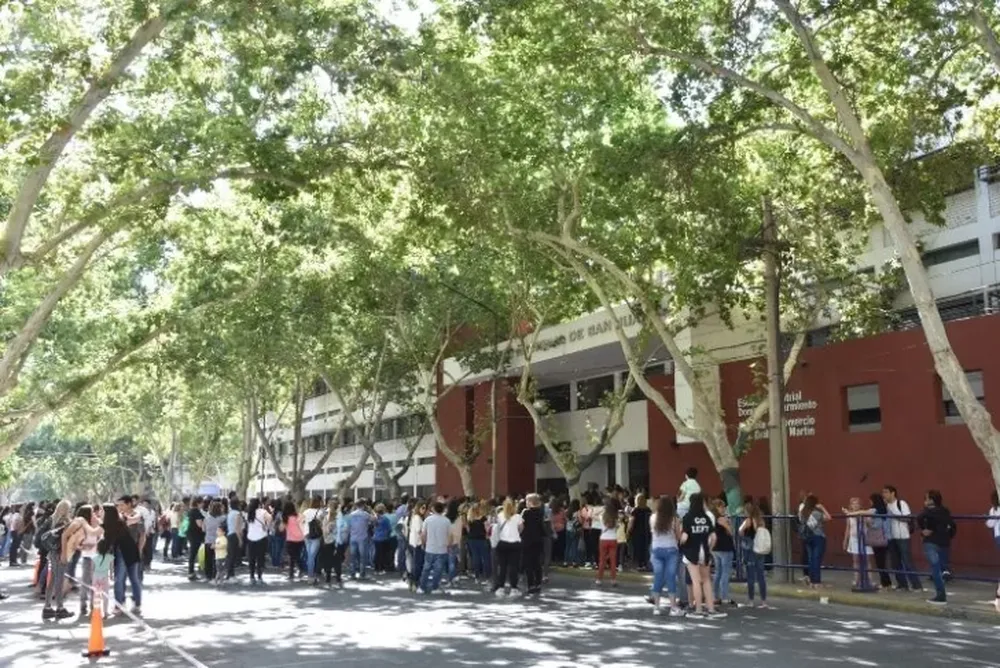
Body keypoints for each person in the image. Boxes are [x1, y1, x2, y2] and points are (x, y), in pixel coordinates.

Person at [680, 493, 725, 619]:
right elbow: (714, 537)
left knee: (696, 581)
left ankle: (698, 609)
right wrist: (709, 549)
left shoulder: (688, 517)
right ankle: (711, 608)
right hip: (704, 551)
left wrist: (681, 544)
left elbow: (684, 537)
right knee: (706, 580)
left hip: (692, 552)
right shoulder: (706, 517)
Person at [917, 489, 955, 605]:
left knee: (935, 569)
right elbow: (952, 526)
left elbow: (919, 518)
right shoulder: (945, 511)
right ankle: (944, 584)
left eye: (927, 498)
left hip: (931, 542)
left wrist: (924, 530)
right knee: (942, 567)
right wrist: (949, 536)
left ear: (931, 500)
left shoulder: (927, 512)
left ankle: (940, 595)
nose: (925, 501)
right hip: (944, 542)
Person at [882, 485, 923, 591]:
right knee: (895, 563)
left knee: (907, 561)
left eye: (886, 492)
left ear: (893, 493)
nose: (884, 494)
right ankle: (902, 584)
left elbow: (907, 518)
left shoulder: (901, 504)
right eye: (883, 492)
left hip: (903, 536)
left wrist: (893, 515)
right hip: (891, 537)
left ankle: (916, 585)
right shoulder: (885, 505)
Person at [104, 503, 142, 616]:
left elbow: (108, 543)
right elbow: (136, 518)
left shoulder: (110, 524)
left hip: (122, 552)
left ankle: (119, 605)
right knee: (134, 578)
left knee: (119, 579)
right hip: (132, 550)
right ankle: (137, 604)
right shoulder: (121, 519)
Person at [648, 496, 682, 616]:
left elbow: (652, 534)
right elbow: (679, 536)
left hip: (656, 550)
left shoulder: (653, 518)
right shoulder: (674, 520)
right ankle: (673, 607)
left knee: (658, 577)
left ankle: (656, 607)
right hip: (671, 550)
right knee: (670, 577)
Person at [41, 500, 73, 620]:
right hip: (60, 553)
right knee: (59, 581)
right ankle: (60, 608)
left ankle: (47, 608)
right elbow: (64, 539)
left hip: (52, 553)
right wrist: (64, 554)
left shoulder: (51, 519)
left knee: (53, 580)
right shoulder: (64, 521)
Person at [739, 500, 770, 610]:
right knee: (761, 575)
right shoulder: (761, 521)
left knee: (751, 576)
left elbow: (740, 531)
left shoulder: (748, 520)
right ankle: (764, 601)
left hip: (750, 549)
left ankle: (751, 600)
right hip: (760, 550)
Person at [491, 498, 524, 597]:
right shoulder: (518, 517)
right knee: (513, 567)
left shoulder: (500, 516)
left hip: (502, 543)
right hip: (515, 544)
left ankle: (500, 588)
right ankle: (513, 588)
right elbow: (521, 528)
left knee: (502, 566)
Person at [799, 494, 831, 588]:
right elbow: (829, 517)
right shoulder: (816, 513)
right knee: (816, 560)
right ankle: (816, 582)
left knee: (810, 559)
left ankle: (812, 581)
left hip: (807, 538)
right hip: (818, 537)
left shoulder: (803, 513)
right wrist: (822, 507)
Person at [843, 497, 875, 588]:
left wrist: (866, 519)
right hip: (854, 539)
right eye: (853, 503)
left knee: (867, 560)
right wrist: (845, 540)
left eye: (857, 503)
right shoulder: (849, 516)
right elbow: (848, 528)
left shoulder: (864, 513)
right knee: (856, 560)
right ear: (850, 505)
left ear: (860, 505)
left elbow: (870, 524)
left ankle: (870, 580)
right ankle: (856, 579)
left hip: (864, 539)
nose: (855, 505)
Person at [420, 501, 451, 594]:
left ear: (433, 509)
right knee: (438, 570)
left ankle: (422, 587)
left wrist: (423, 543)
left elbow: (423, 534)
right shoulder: (446, 521)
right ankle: (435, 587)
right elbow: (449, 535)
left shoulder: (428, 520)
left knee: (426, 568)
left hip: (430, 547)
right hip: (442, 548)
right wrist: (448, 545)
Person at [710, 498, 735, 607]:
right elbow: (730, 531)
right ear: (717, 508)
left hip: (716, 547)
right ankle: (724, 596)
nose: (724, 508)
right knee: (725, 572)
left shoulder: (712, 519)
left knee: (718, 572)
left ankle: (716, 595)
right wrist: (729, 524)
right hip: (725, 547)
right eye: (722, 506)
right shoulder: (721, 519)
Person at [521, 494, 546, 596]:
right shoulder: (540, 512)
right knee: (537, 563)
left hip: (527, 540)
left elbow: (521, 526)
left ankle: (531, 585)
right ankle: (538, 584)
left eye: (527, 501)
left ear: (530, 502)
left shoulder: (525, 512)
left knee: (528, 564)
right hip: (538, 540)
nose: (526, 503)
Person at [245, 498, 271, 585]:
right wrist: (266, 525)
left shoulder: (248, 513)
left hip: (251, 537)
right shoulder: (262, 511)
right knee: (260, 558)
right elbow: (270, 518)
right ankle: (260, 577)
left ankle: (252, 577)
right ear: (259, 504)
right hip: (261, 537)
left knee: (251, 559)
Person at [347, 501, 373, 580]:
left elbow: (348, 526)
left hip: (353, 537)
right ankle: (362, 574)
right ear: (363, 505)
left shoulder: (351, 515)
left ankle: (352, 574)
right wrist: (371, 511)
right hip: (362, 537)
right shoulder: (365, 514)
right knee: (362, 557)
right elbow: (374, 520)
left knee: (353, 557)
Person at [596, 502, 619, 587]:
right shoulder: (616, 518)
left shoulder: (602, 517)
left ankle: (599, 580)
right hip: (613, 539)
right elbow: (617, 528)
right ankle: (613, 580)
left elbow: (594, 514)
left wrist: (602, 509)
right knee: (613, 561)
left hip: (603, 539)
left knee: (602, 561)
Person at [91, 539, 113, 619]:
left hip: (96, 577)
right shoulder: (110, 557)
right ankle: (106, 612)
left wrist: (92, 577)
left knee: (96, 596)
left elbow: (92, 569)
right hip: (105, 577)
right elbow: (111, 569)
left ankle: (96, 612)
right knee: (105, 595)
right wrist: (111, 576)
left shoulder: (94, 557)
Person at [281, 501, 304, 580]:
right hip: (300, 538)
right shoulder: (298, 516)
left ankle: (291, 574)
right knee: (297, 555)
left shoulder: (285, 518)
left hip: (290, 539)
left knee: (291, 557)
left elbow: (281, 529)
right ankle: (301, 569)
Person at [629, 494, 652, 572]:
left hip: (637, 533)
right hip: (646, 532)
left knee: (637, 548)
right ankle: (645, 564)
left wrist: (628, 531)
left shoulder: (635, 511)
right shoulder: (648, 510)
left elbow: (631, 522)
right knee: (645, 548)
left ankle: (639, 565)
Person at [185, 496, 205, 581]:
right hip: (195, 535)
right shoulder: (196, 512)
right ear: (198, 503)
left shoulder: (190, 511)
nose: (203, 504)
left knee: (192, 554)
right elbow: (199, 524)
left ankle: (191, 572)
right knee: (193, 554)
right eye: (202, 503)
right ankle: (191, 573)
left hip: (190, 534)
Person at [225, 500, 244, 580]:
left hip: (230, 534)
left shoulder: (230, 513)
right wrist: (240, 539)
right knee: (232, 556)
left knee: (231, 556)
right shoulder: (237, 514)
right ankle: (230, 575)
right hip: (234, 535)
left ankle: (230, 574)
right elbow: (237, 527)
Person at [373, 504, 393, 575]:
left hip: (376, 538)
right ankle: (381, 569)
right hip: (384, 538)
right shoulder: (385, 519)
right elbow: (389, 529)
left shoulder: (375, 519)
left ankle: (376, 568)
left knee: (377, 553)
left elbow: (373, 527)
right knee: (383, 554)